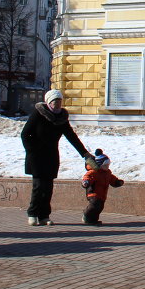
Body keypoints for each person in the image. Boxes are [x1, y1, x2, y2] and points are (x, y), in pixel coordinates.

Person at [21, 89, 90, 226]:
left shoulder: (61, 118)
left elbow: (72, 137)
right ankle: (33, 213)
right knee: (38, 186)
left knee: (48, 188)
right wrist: (31, 150)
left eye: (59, 102)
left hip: (51, 156)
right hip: (36, 156)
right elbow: (25, 134)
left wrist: (85, 153)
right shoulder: (38, 114)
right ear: (48, 103)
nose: (57, 105)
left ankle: (44, 215)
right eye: (54, 102)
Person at [80, 149, 124, 226]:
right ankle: (86, 215)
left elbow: (112, 179)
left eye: (108, 165)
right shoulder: (94, 172)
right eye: (105, 165)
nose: (107, 167)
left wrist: (117, 182)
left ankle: (93, 220)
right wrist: (86, 182)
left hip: (102, 194)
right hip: (93, 193)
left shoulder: (107, 173)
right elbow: (88, 177)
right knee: (94, 205)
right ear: (100, 165)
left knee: (100, 207)